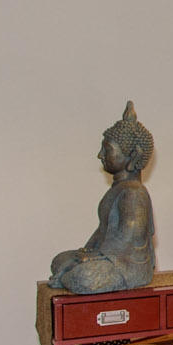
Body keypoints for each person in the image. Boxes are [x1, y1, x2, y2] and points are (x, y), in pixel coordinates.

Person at [50, 102, 156, 293]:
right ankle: (71, 273)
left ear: (132, 155)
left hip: (127, 265)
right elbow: (103, 231)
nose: (100, 155)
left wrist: (94, 259)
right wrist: (87, 253)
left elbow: (126, 239)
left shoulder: (134, 193)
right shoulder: (118, 189)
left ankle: (71, 276)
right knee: (60, 260)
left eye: (108, 149)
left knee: (83, 277)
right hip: (107, 256)